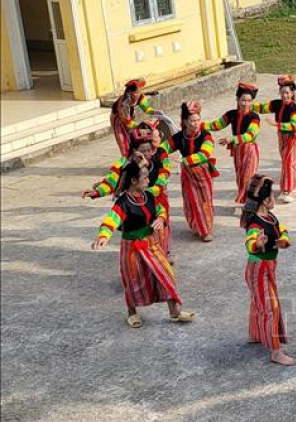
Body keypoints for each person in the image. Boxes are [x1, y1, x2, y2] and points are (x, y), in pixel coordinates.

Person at [91, 155, 195, 328]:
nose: (148, 180)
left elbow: (160, 210)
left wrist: (161, 218)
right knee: (133, 279)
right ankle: (131, 313)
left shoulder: (149, 196)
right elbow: (112, 219)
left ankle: (174, 311)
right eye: (145, 177)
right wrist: (104, 235)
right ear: (133, 181)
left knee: (165, 273)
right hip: (131, 247)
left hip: (151, 243)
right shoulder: (123, 202)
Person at [84, 127, 172, 255]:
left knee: (160, 228)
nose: (148, 153)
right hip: (137, 199)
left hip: (155, 197)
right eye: (144, 151)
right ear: (135, 151)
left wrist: (151, 194)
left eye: (149, 149)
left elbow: (163, 177)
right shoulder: (125, 165)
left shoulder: (159, 156)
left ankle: (163, 254)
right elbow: (113, 180)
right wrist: (99, 192)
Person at [240, 174, 296, 365]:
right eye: (272, 196)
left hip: (268, 267)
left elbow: (283, 230)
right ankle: (276, 351)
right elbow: (250, 242)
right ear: (265, 201)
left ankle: (255, 334)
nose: (274, 198)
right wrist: (257, 243)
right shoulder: (255, 223)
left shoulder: (270, 217)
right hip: (258, 269)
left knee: (260, 301)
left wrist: (283, 241)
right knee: (269, 306)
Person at [160, 101, 218, 242]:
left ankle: (205, 229)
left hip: (203, 173)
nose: (196, 123)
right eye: (192, 121)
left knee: (204, 201)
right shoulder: (180, 137)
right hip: (187, 174)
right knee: (191, 201)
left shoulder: (205, 135)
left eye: (198, 120)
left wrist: (185, 160)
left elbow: (205, 153)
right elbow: (163, 148)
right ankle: (198, 227)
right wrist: (160, 155)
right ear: (185, 122)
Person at [204, 82, 262, 203]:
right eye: (243, 100)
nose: (245, 104)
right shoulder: (231, 114)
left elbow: (250, 135)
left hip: (250, 150)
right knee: (240, 177)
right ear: (237, 99)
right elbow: (216, 125)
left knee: (248, 177)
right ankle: (246, 201)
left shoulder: (254, 117)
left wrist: (232, 139)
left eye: (249, 101)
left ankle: (250, 202)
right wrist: (198, 125)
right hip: (238, 151)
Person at [253, 75, 296, 203]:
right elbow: (262, 107)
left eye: (287, 93)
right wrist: (248, 105)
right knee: (287, 162)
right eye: (282, 92)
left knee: (289, 163)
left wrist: (276, 124)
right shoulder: (277, 104)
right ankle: (295, 184)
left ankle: (289, 190)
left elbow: (294, 125)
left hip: (292, 138)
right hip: (282, 137)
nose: (284, 95)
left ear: (292, 93)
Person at [110, 78, 160, 157]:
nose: (138, 94)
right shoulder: (124, 104)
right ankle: (126, 158)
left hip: (129, 118)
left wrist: (156, 112)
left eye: (139, 92)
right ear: (129, 92)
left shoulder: (139, 97)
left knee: (134, 138)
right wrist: (140, 126)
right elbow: (128, 123)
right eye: (136, 92)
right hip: (119, 120)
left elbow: (147, 109)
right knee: (123, 141)